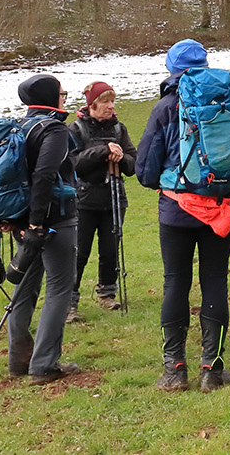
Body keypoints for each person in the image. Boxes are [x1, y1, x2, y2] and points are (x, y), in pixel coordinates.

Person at [137, 39, 230, 392]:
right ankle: (212, 369)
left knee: (175, 282)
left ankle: (175, 370)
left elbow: (145, 171)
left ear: (171, 70)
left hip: (175, 211)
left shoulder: (165, 107)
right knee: (215, 281)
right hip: (220, 211)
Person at [5, 73, 82, 384]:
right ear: (51, 98)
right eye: (62, 94)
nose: (65, 99)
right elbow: (45, 174)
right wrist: (38, 221)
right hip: (53, 219)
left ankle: (18, 360)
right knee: (60, 289)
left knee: (24, 288)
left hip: (20, 218)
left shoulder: (19, 127)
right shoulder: (53, 129)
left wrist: (26, 221)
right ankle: (44, 365)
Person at [67, 81, 137, 321]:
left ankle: (107, 293)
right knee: (79, 252)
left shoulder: (119, 129)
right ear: (92, 104)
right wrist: (103, 151)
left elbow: (133, 164)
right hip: (84, 200)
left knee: (110, 250)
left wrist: (121, 157)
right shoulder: (75, 130)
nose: (111, 106)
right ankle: (69, 302)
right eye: (106, 101)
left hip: (114, 198)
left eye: (112, 101)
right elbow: (73, 164)